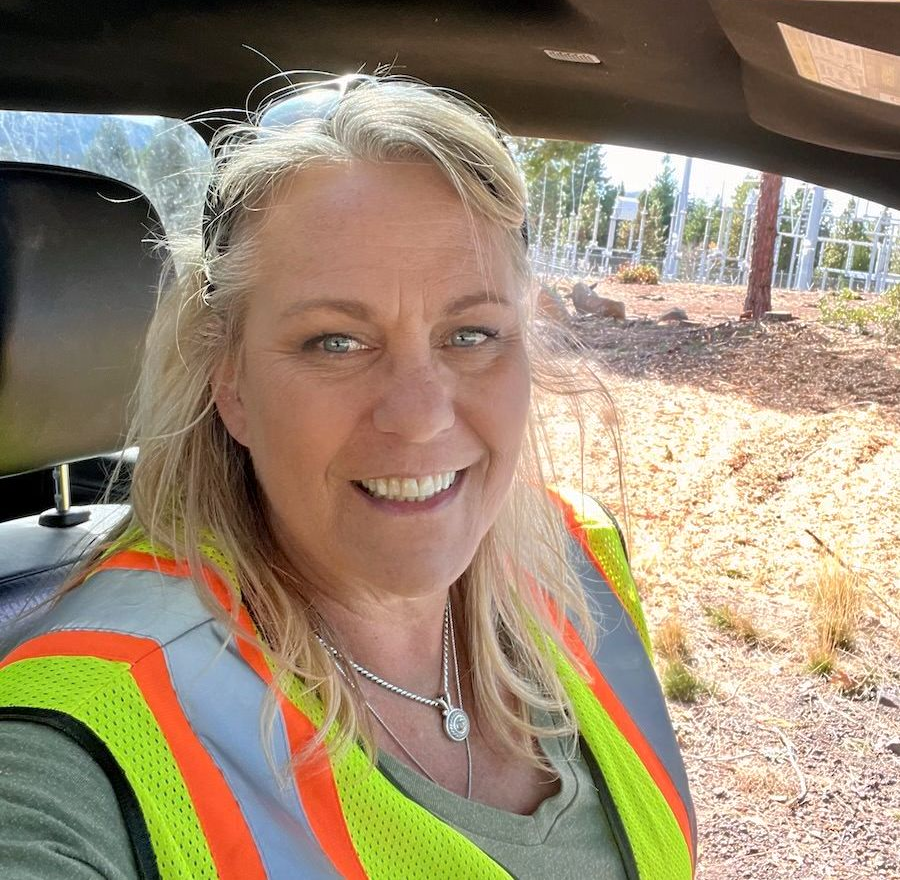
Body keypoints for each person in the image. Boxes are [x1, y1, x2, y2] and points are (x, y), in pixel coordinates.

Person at [0, 73, 695, 879]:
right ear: (232, 387)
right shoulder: (79, 741)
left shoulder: (580, 561)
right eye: (336, 341)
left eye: (471, 333)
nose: (420, 414)